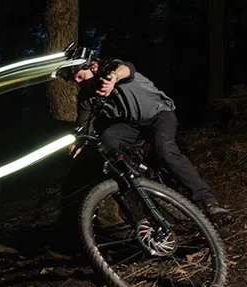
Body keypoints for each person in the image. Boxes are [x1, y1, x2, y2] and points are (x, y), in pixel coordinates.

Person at [57, 46, 231, 223]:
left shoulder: (111, 69)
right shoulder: (87, 95)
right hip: (132, 125)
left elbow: (127, 68)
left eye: (79, 76)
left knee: (165, 150)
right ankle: (146, 182)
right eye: (74, 79)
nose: (77, 82)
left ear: (92, 66)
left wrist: (114, 78)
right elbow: (83, 123)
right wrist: (76, 141)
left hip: (159, 114)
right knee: (107, 141)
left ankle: (209, 202)